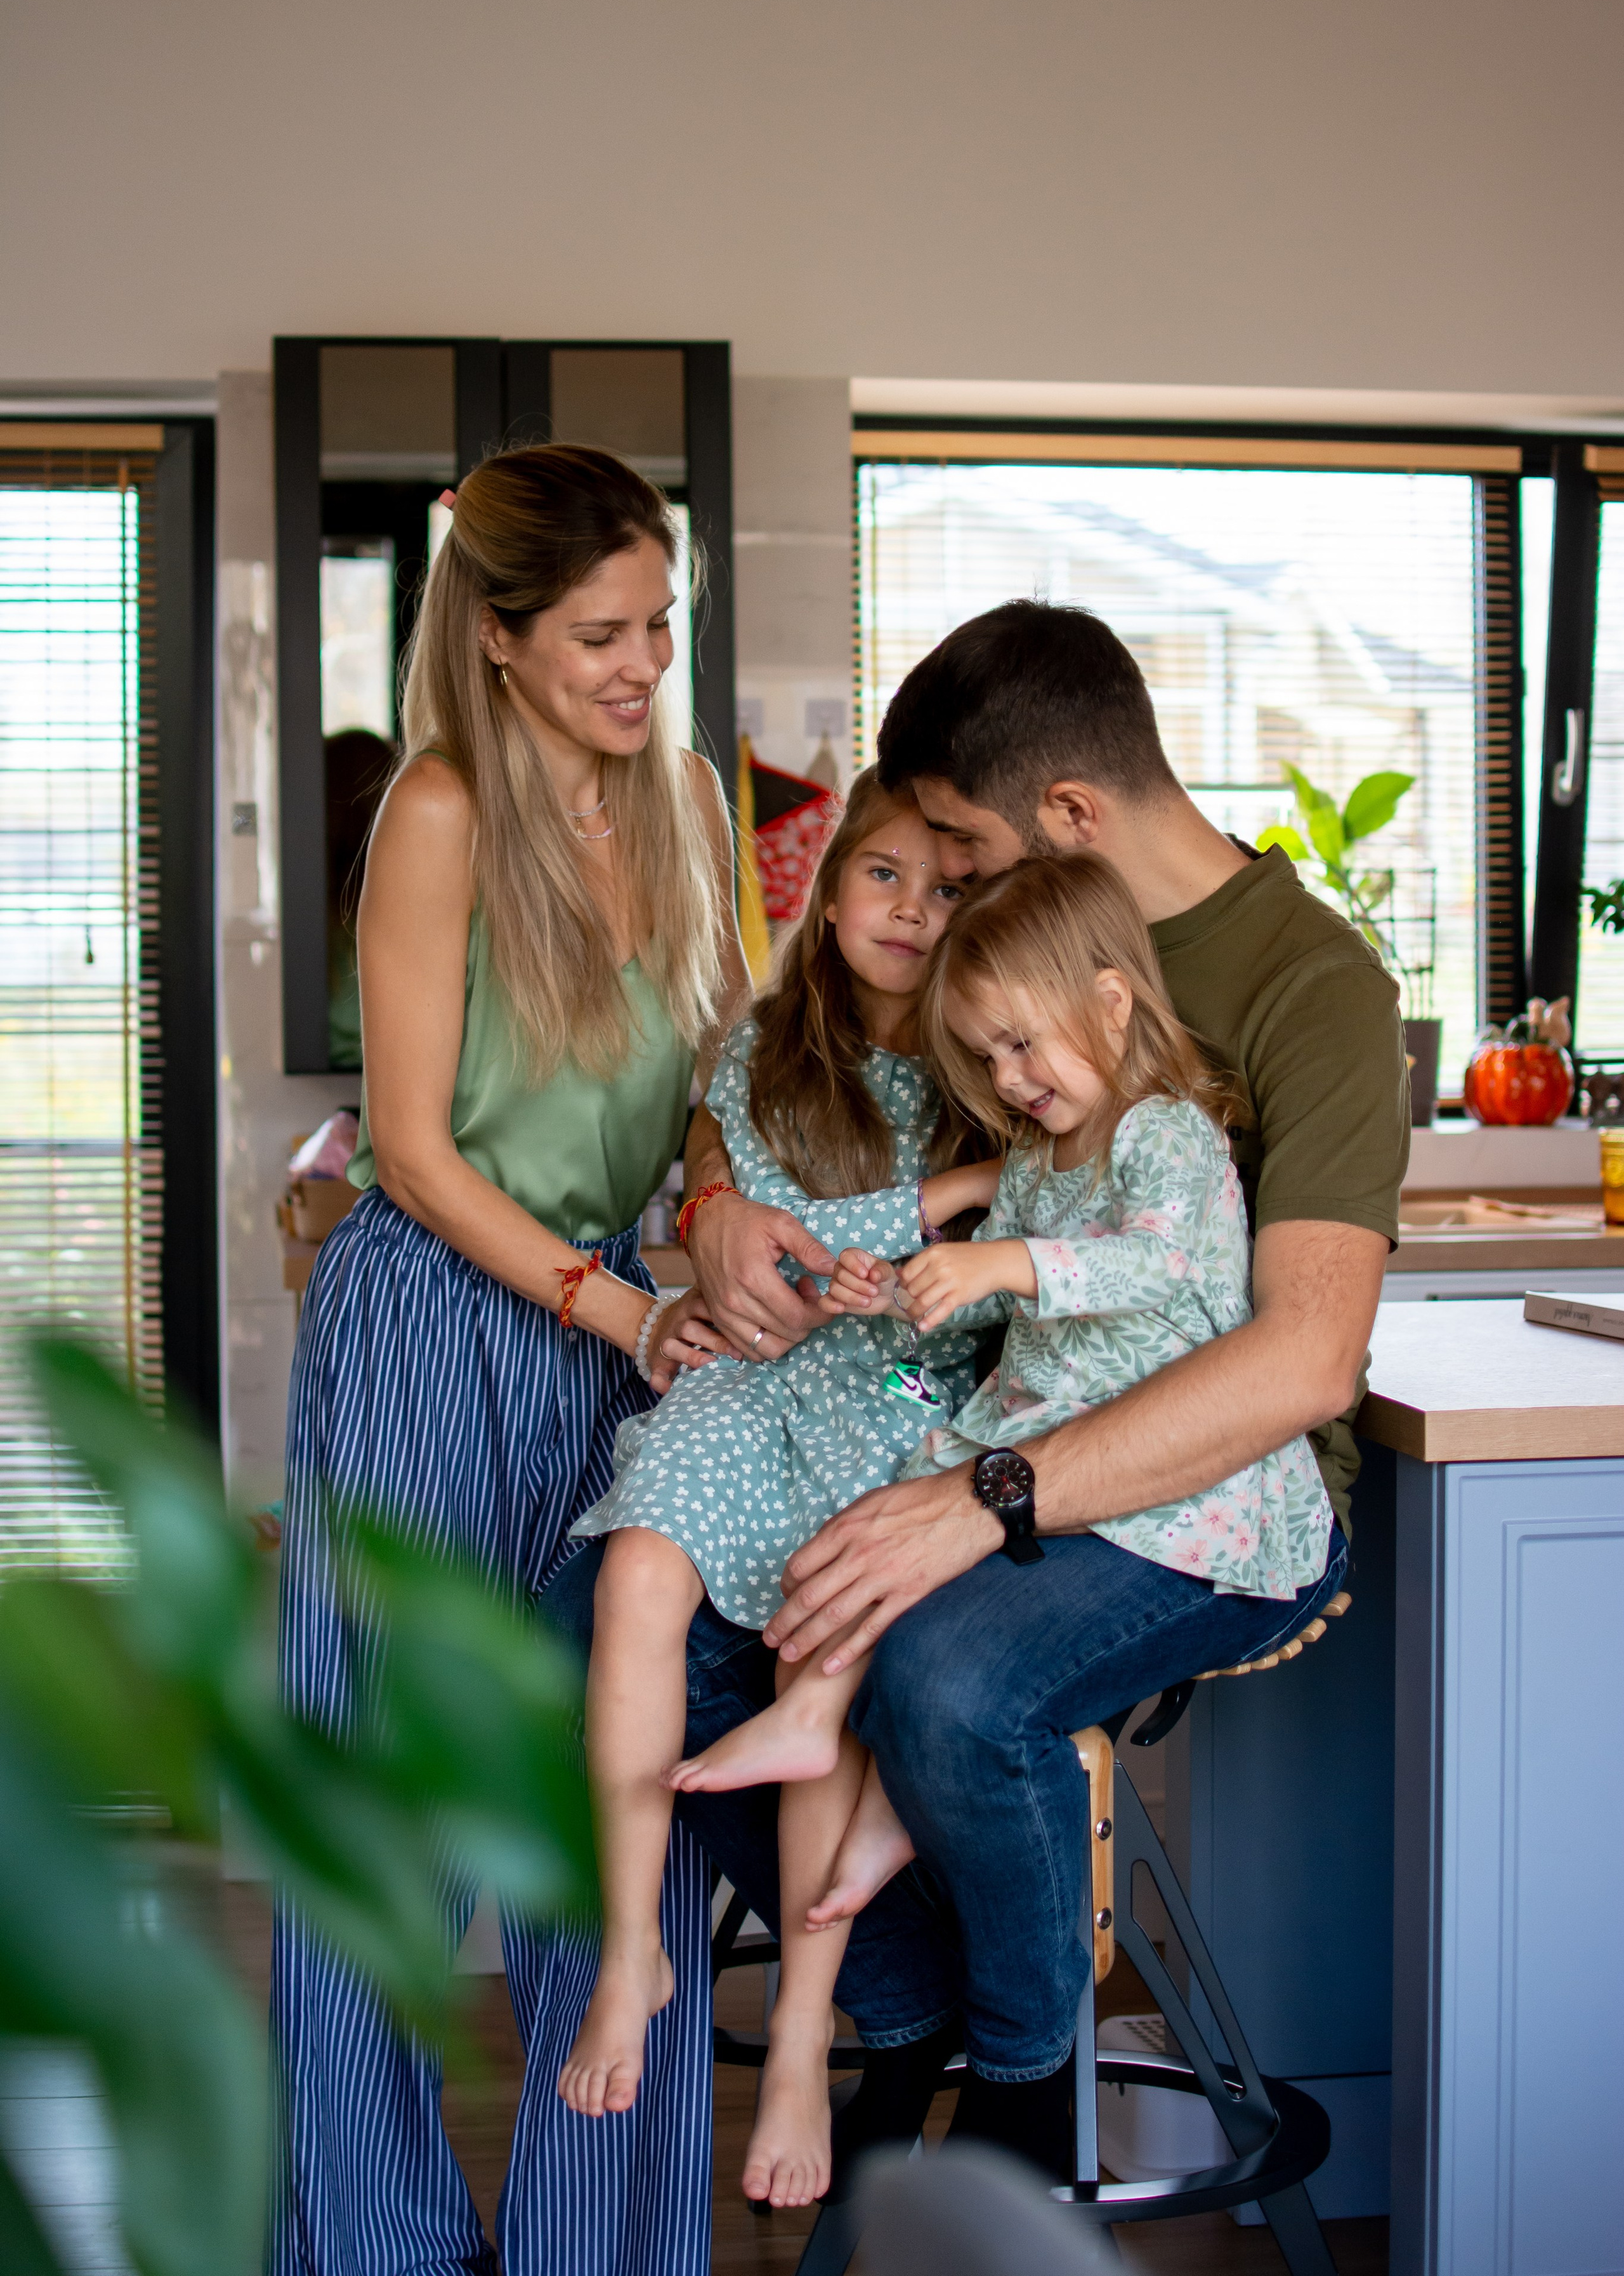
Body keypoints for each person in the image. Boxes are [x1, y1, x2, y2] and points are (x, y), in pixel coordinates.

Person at [547, 595, 1407, 2190]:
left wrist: (978, 1499)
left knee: (938, 1679)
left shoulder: (1309, 989)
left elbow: (1299, 1360)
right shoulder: (1004, 975)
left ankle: (1023, 2107)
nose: (942, 892)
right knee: (601, 1612)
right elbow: (833, 1119)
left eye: (962, 850)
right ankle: (908, 2005)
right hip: (981, 1417)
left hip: (1206, 1492)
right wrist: (719, 1203)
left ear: (1066, 821)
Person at [270, 444, 746, 2276]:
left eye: (663, 628)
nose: (644, 668)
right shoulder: (443, 815)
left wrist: (704, 1218)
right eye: (605, 634)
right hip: (434, 1332)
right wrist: (618, 1306)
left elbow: (716, 1081)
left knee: (619, 1804)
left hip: (623, 1329)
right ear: (500, 633)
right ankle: (377, 2244)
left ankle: (597, 2243)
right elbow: (411, 1149)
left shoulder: (691, 803)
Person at [559, 770, 997, 2208]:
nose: (910, 913)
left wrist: (910, 1252)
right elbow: (765, 1255)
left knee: (824, 1642)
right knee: (632, 1574)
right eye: (882, 876)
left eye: (945, 892)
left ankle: (807, 2028)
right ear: (829, 883)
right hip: (759, 1389)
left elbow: (991, 1286)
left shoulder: (989, 1064)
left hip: (894, 1410)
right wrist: (928, 1208)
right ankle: (635, 1947)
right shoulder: (761, 1051)